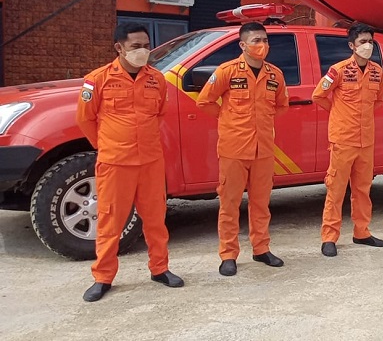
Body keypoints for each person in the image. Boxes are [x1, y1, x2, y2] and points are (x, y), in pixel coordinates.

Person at [76, 23, 183, 302]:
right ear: (119, 48)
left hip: (150, 162)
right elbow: (85, 119)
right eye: (136, 46)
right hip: (115, 163)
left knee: (156, 220)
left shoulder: (156, 79)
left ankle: (160, 269)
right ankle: (103, 277)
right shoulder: (97, 79)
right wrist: (107, 145)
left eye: (146, 45)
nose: (143, 51)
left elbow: (159, 114)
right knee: (110, 222)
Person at [196, 21, 289, 276]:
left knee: (261, 204)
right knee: (230, 204)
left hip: (263, 150)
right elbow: (205, 101)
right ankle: (228, 254)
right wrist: (227, 118)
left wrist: (263, 123)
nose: (262, 45)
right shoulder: (227, 71)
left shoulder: (275, 75)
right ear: (242, 45)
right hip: (234, 149)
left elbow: (282, 105)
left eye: (265, 40)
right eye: (256, 40)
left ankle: (261, 249)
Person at [311, 23, 383, 257]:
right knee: (336, 190)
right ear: (351, 46)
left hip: (366, 141)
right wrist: (338, 112)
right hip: (343, 139)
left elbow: (378, 100)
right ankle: (329, 237)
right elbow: (318, 95)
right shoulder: (339, 70)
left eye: (370, 42)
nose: (367, 46)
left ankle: (362, 232)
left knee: (363, 190)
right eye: (362, 42)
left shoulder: (377, 71)